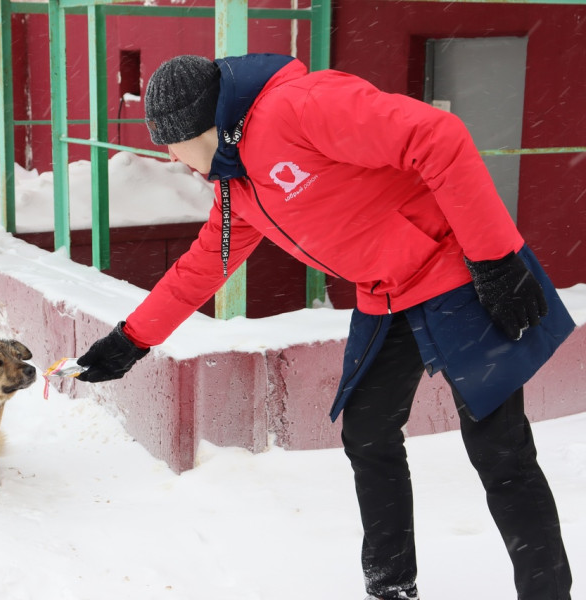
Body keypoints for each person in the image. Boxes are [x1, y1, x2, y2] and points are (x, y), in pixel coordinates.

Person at [75, 53, 575, 600]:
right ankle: (390, 588)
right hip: (386, 294)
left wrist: (495, 258)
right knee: (367, 434)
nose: (171, 158)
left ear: (203, 128)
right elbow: (204, 266)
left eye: (172, 144)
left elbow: (438, 135)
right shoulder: (236, 185)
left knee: (500, 449)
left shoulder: (299, 106)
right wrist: (130, 340)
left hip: (457, 272)